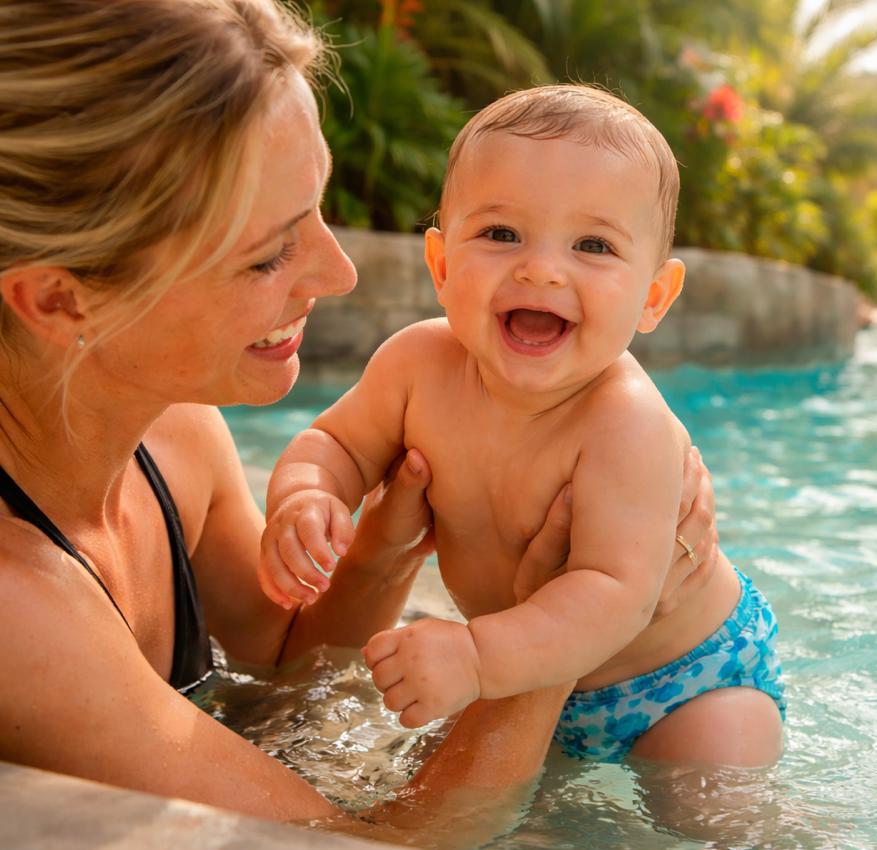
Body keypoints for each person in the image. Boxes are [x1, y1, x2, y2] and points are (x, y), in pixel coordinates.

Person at [0, 0, 716, 835]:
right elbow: (381, 847)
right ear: (57, 298)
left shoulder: (175, 435)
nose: (338, 273)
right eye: (271, 250)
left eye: (318, 212)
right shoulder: (21, 615)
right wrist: (555, 636)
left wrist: (378, 546)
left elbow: (289, 671)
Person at [260, 86, 786, 768]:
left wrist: (477, 656)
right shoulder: (416, 365)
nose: (541, 267)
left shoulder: (627, 421)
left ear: (652, 297)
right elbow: (332, 443)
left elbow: (614, 594)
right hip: (522, 669)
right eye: (502, 233)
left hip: (687, 681)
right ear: (442, 266)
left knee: (714, 817)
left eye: (593, 244)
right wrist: (307, 496)